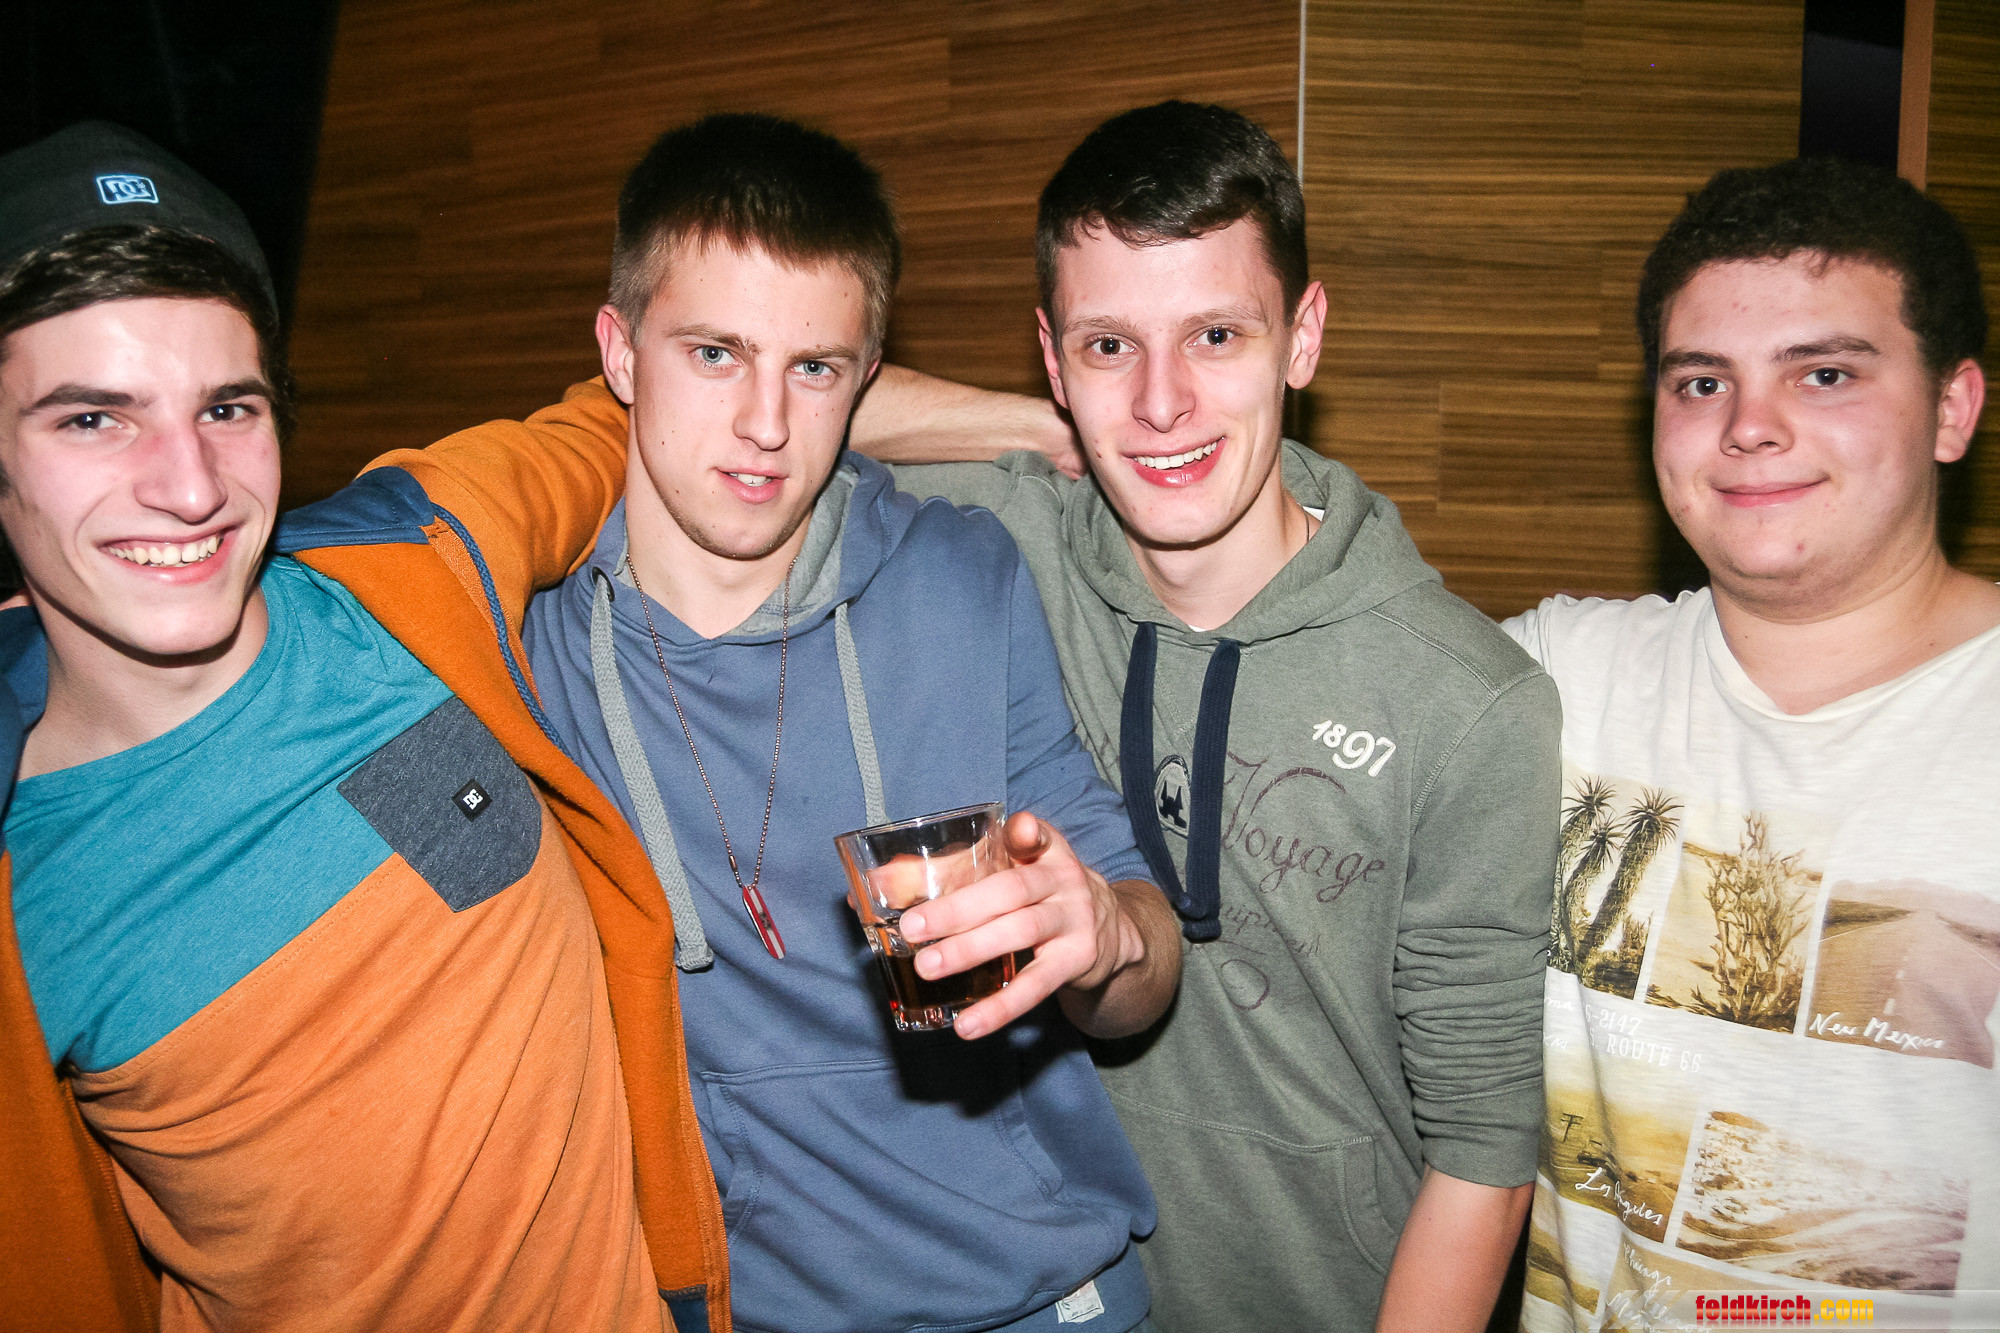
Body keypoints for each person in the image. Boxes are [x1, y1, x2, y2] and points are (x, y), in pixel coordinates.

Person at [0, 120, 1081, 1333]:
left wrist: (1053, 425)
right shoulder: (22, 890)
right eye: (90, 420)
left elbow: (698, 392)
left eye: (226, 408)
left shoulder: (417, 561)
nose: (189, 486)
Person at [520, 101, 1558, 1332]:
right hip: (1042, 1266)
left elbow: (1483, 1152)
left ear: (1303, 335)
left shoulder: (1464, 696)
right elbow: (762, 388)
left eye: (1216, 335)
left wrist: (1108, 932)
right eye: (1110, 345)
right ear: (1053, 361)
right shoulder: (1012, 527)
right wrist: (1042, 425)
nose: (1163, 403)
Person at [512, 114, 1182, 1333]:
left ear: (866, 380)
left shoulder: (958, 577)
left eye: (814, 368)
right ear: (619, 352)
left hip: (1039, 1298)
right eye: (714, 353)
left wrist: (1104, 937)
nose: (766, 422)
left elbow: (1142, 959)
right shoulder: (526, 631)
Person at [1507, 157, 1997, 1333]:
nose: (1747, 427)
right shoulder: (1557, 676)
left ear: (1950, 409)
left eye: (1822, 373)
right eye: (1699, 382)